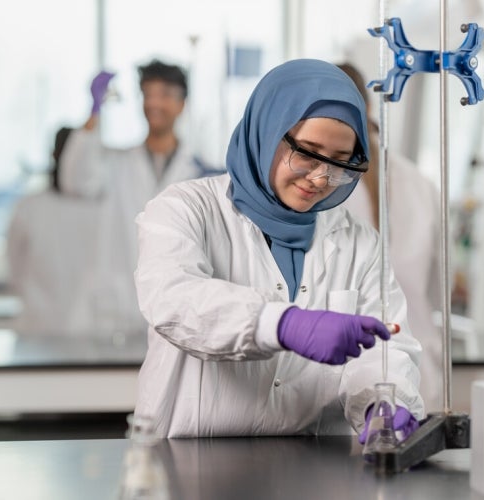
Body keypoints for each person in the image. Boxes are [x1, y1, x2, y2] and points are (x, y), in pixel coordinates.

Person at [133, 59, 425, 439]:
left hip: (311, 466)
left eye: (340, 163)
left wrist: (384, 403)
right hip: (186, 459)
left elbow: (384, 348)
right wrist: (282, 324)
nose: (321, 179)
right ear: (266, 131)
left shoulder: (359, 243)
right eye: (307, 153)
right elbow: (173, 300)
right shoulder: (184, 209)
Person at [59, 59, 222, 334]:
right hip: (119, 309)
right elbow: (74, 181)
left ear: (182, 104)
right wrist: (94, 112)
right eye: (148, 94)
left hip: (179, 310)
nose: (155, 103)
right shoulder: (116, 164)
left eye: (165, 95)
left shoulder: (199, 172)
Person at [338, 62, 443, 411]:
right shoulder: (419, 182)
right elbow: (438, 287)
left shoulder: (317, 187)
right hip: (415, 366)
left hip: (366, 372)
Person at [6, 126, 102, 334]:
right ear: (55, 155)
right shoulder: (29, 207)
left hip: (91, 328)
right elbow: (14, 269)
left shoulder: (104, 208)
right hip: (38, 327)